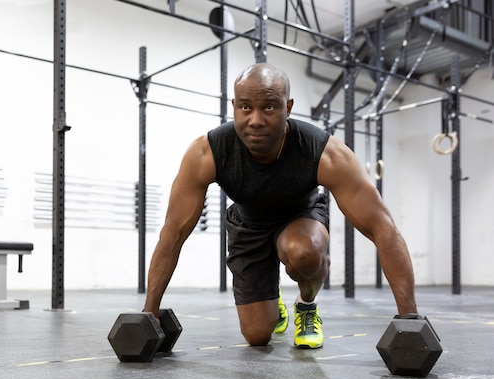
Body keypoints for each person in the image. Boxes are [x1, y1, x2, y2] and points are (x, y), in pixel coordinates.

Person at [142, 62, 418, 349]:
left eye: (270, 108)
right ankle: (272, 296)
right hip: (248, 226)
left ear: (288, 107)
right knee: (257, 336)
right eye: (246, 108)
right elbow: (172, 233)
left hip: (300, 219)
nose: (256, 120)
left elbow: (382, 228)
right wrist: (150, 310)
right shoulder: (207, 152)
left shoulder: (323, 153)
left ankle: (306, 305)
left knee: (304, 253)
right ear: (234, 106)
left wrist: (409, 317)